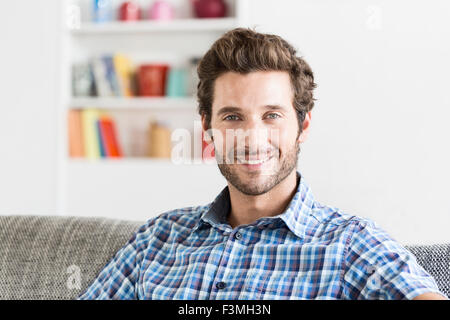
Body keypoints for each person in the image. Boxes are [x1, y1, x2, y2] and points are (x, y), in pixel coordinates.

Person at [78, 28, 447, 300]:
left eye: (271, 115)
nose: (252, 138)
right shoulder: (157, 239)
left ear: (302, 126)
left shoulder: (350, 244)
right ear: (207, 127)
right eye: (233, 117)